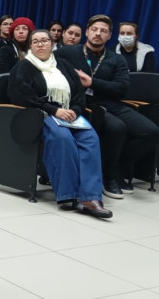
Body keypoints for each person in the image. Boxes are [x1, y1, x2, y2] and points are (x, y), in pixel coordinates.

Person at [9, 29, 112, 219]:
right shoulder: (24, 67)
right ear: (30, 46)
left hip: (69, 114)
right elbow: (21, 95)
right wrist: (53, 110)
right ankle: (68, 194)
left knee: (90, 138)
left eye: (44, 41)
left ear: (52, 44)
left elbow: (79, 94)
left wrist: (75, 111)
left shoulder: (63, 65)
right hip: (42, 114)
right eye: (35, 42)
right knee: (63, 138)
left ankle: (90, 197)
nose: (40, 44)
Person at [57, 15, 159, 198]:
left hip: (110, 102)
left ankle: (115, 167)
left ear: (110, 35)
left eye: (103, 31)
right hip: (82, 104)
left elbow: (122, 88)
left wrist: (93, 82)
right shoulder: (69, 53)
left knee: (150, 132)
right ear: (87, 31)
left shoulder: (116, 59)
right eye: (95, 29)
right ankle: (110, 177)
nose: (98, 34)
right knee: (117, 128)